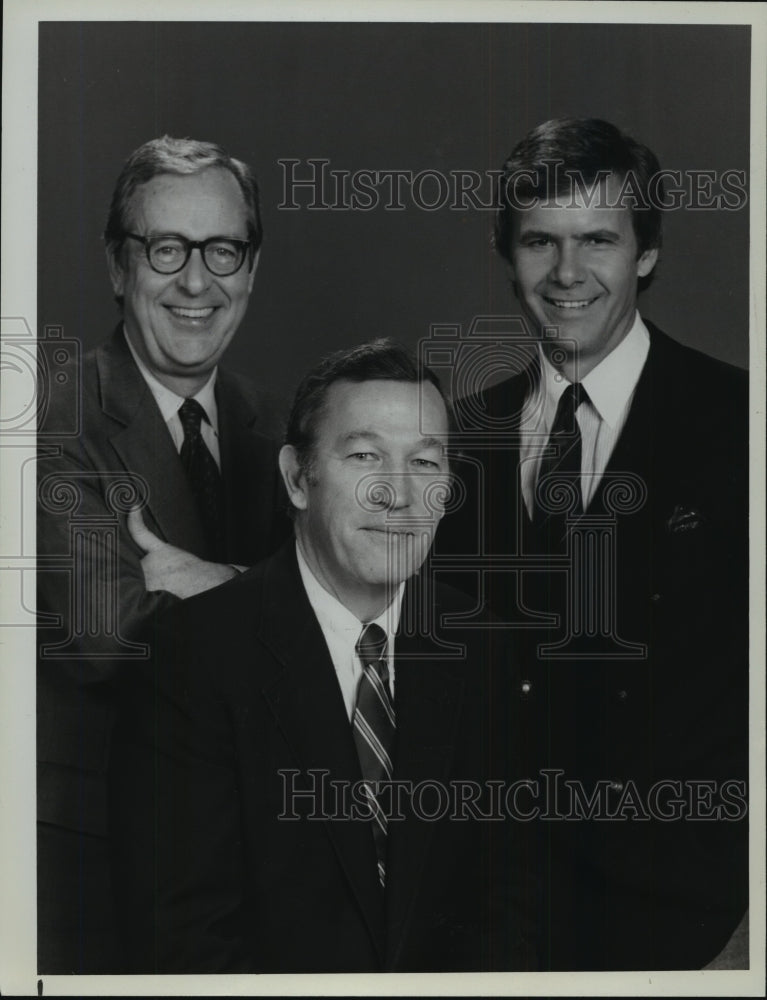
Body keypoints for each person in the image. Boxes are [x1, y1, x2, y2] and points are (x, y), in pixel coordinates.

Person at [109, 341, 537, 973]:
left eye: (425, 461)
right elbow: (185, 938)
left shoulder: (488, 651)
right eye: (365, 456)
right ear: (296, 478)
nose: (399, 494)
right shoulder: (192, 656)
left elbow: (515, 905)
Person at [437, 118, 749, 970]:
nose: (567, 274)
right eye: (540, 241)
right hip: (491, 931)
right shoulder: (456, 440)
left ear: (645, 252)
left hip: (699, 931)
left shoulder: (741, 427)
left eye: (597, 240)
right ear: (505, 252)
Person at [36, 136, 288, 972]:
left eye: (222, 250)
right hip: (98, 873)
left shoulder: (282, 425)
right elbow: (119, 639)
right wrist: (290, 597)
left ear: (249, 270)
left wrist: (222, 584)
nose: (195, 281)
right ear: (118, 266)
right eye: (165, 248)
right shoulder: (48, 424)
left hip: (255, 863)